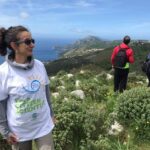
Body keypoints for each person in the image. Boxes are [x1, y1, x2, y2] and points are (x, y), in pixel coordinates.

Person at [0, 26, 55, 150]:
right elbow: (1, 104)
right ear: (14, 46)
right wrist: (6, 131)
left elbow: (46, 92)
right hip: (19, 132)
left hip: (43, 125)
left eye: (32, 41)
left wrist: (51, 113)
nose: (32, 45)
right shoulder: (3, 72)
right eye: (27, 42)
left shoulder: (40, 66)